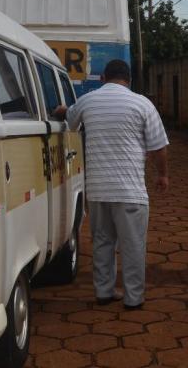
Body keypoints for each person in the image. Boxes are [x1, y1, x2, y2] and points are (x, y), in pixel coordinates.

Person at [55, 59, 169, 310]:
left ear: (103, 77)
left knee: (102, 242)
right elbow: (158, 147)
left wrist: (63, 110)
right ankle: (133, 298)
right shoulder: (142, 104)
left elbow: (70, 121)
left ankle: (104, 292)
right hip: (131, 192)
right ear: (129, 80)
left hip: (97, 191)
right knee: (133, 247)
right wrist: (162, 175)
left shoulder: (88, 100)